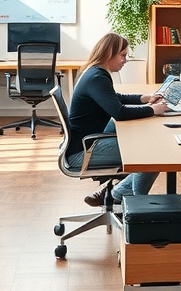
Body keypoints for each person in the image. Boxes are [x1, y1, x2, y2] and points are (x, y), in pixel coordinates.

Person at [66, 32, 169, 206]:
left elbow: (115, 97)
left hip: (86, 141)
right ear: (109, 54)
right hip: (82, 152)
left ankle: (116, 194)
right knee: (153, 153)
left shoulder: (95, 73)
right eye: (123, 55)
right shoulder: (97, 77)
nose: (125, 60)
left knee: (142, 139)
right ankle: (134, 206)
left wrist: (143, 98)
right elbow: (119, 112)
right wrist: (152, 110)